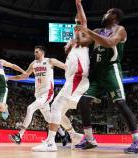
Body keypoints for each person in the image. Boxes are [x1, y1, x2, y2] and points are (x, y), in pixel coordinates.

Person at [74, 7, 138, 153]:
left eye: (106, 12)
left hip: (110, 71)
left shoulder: (120, 29)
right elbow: (82, 42)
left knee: (120, 102)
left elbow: (110, 43)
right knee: (83, 101)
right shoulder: (98, 31)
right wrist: (78, 27)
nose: (103, 15)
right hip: (96, 74)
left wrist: (87, 31)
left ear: (113, 16)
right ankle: (89, 139)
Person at [32, 0, 90, 151]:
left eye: (69, 42)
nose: (67, 44)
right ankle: (74, 135)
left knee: (56, 106)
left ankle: (51, 143)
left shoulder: (80, 39)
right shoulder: (73, 48)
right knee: (58, 112)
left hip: (78, 78)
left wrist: (78, 4)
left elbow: (83, 21)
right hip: (73, 79)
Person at [8, 45, 67, 145]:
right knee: (48, 118)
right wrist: (9, 78)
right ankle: (63, 134)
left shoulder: (50, 61)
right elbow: (25, 76)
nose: (34, 53)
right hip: (38, 93)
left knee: (30, 108)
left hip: (47, 92)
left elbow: (65, 66)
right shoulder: (33, 64)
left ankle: (19, 136)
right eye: (34, 52)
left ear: (42, 52)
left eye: (37, 52)